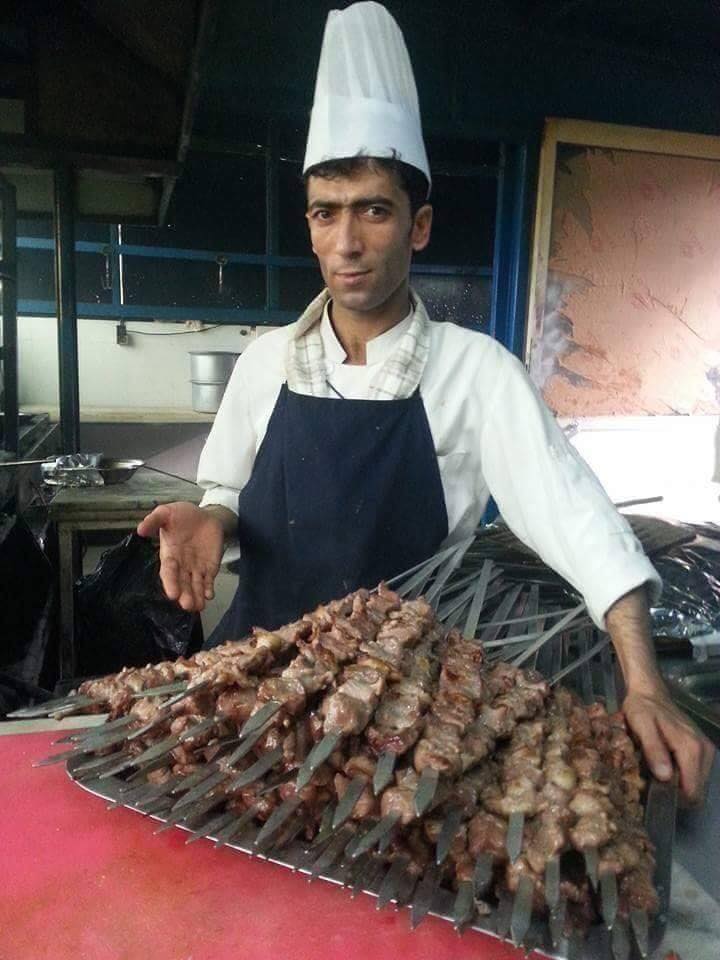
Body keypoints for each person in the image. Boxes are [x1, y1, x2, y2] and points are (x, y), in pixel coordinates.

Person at [138, 1, 714, 804]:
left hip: (402, 721)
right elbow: (227, 491)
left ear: (420, 226)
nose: (347, 242)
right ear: (310, 226)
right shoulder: (265, 363)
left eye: (374, 210)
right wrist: (209, 520)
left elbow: (582, 525)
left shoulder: (477, 374)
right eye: (327, 213)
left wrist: (644, 684)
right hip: (261, 695)